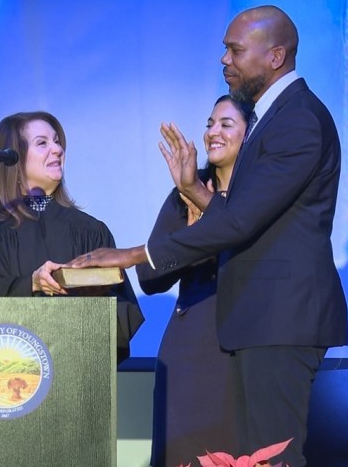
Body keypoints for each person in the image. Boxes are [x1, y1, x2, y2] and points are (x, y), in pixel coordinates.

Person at [69, 5, 348, 466]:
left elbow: (238, 221)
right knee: (255, 457)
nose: (224, 60)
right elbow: (237, 217)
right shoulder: (274, 118)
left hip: (282, 319)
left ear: (275, 56)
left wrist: (131, 254)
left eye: (235, 50)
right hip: (260, 321)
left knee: (275, 456)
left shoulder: (297, 118)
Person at [0, 111, 143, 363]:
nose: (57, 149)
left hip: (76, 374)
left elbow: (124, 313)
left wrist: (93, 297)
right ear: (12, 159)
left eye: (57, 141)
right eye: (42, 143)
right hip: (6, 380)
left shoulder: (90, 231)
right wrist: (31, 284)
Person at [140, 95, 250, 466]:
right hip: (189, 351)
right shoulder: (184, 192)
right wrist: (186, 242)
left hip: (246, 350)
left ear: (250, 135)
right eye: (209, 124)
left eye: (226, 124)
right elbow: (148, 275)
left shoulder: (262, 197)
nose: (213, 132)